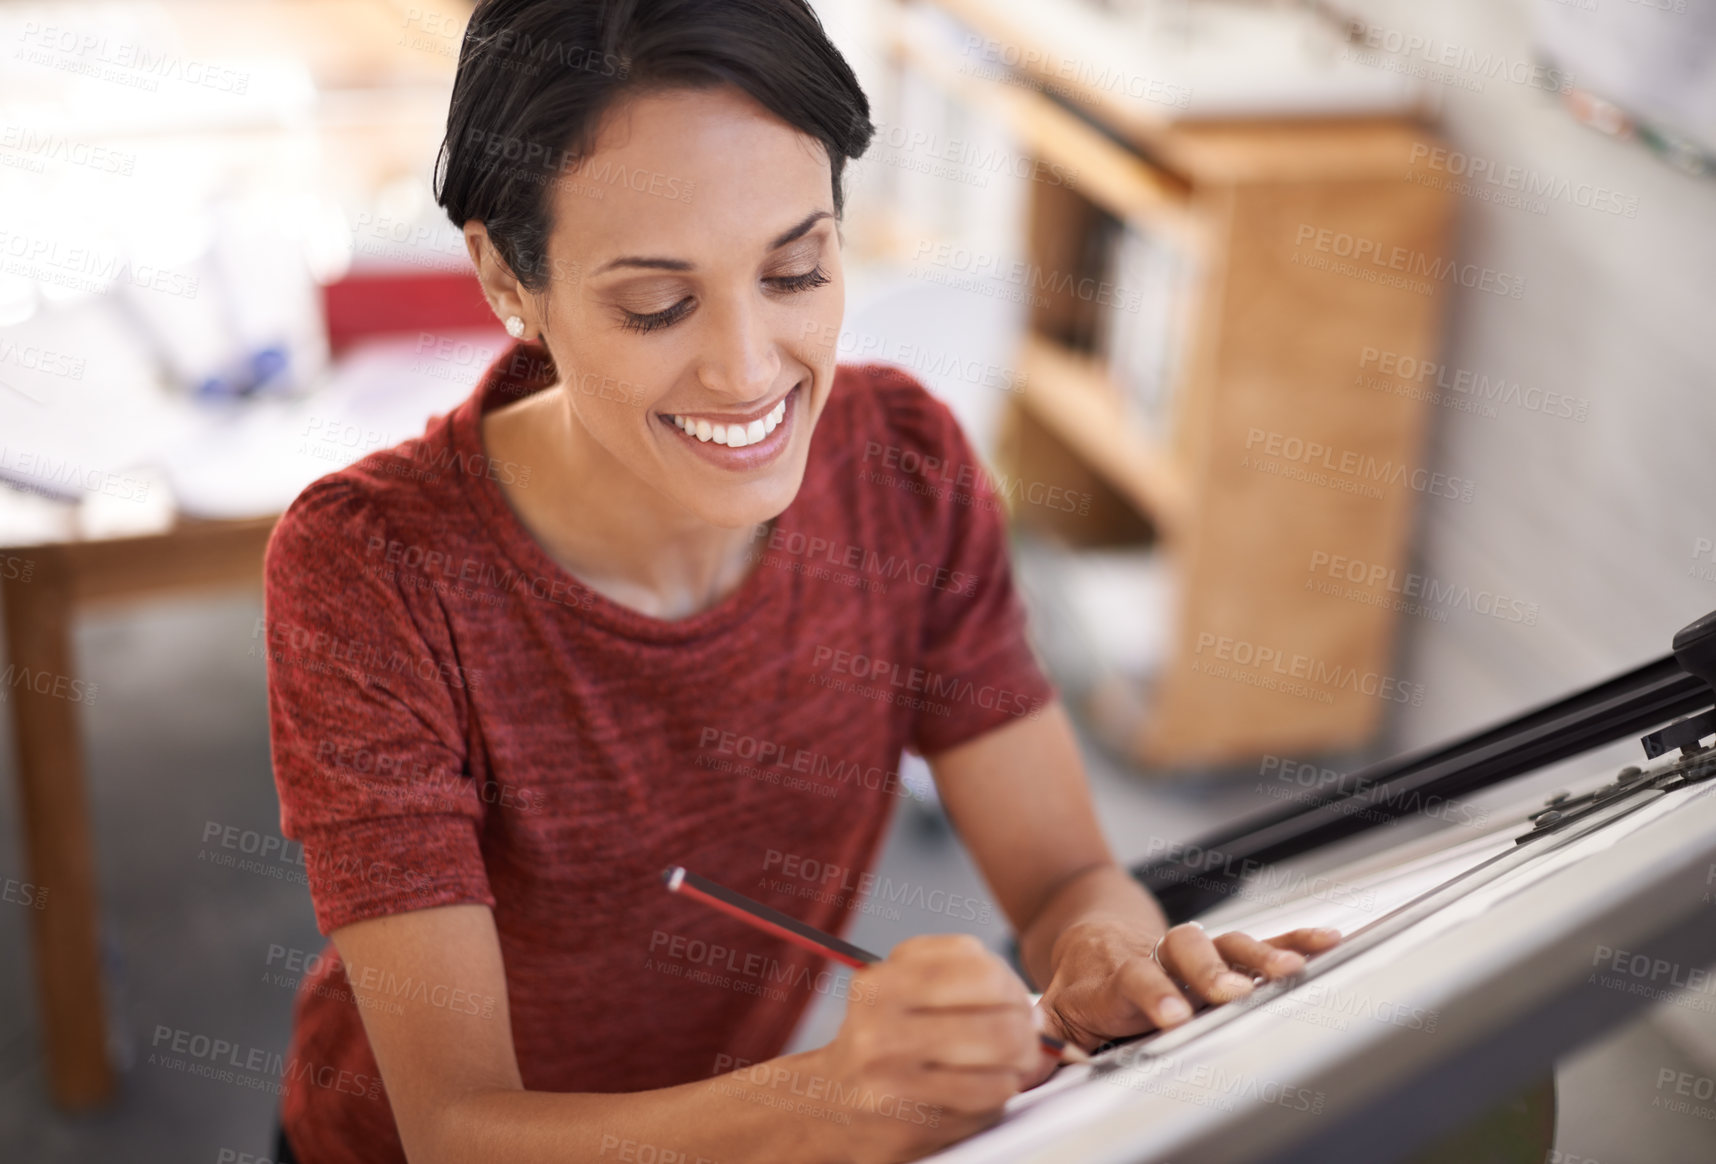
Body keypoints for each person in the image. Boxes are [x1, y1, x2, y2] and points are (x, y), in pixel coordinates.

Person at [261, 1, 1340, 1161]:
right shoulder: (371, 571)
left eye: (795, 269)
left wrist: (1106, 961)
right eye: (656, 305)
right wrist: (837, 1101)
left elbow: (1069, 876)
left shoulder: (902, 470)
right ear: (505, 278)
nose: (747, 370)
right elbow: (456, 1130)